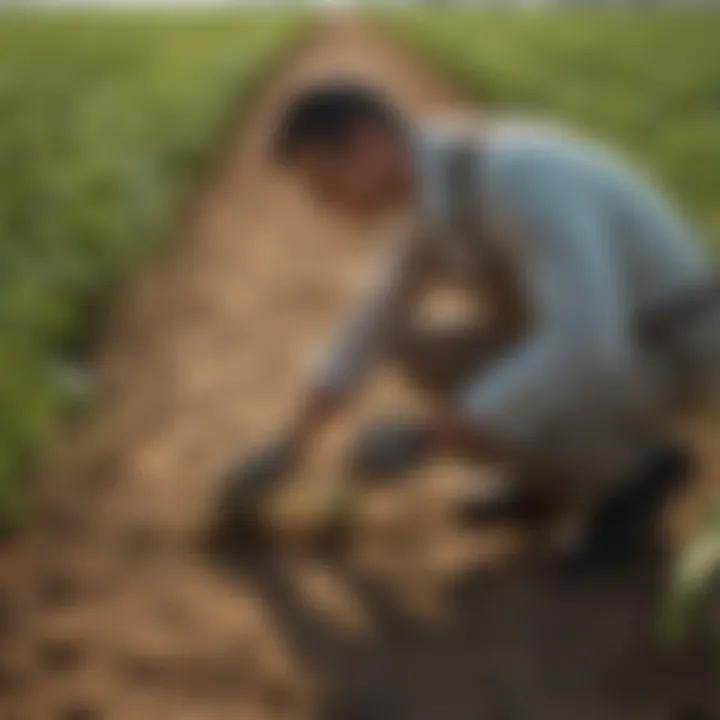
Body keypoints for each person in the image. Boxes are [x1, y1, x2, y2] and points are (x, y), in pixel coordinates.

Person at [219, 82, 720, 566]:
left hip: (674, 354)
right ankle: (547, 480)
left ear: (368, 143)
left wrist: (433, 435)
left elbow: (586, 343)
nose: (321, 203)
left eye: (321, 181)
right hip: (623, 348)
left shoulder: (521, 178)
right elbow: (371, 325)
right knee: (423, 350)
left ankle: (635, 477)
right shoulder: (432, 196)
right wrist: (290, 444)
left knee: (488, 394)